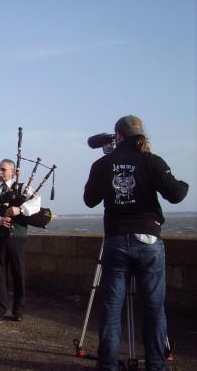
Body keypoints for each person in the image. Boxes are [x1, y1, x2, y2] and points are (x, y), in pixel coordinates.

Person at [84, 115, 188, 371]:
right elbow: (176, 194)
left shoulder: (103, 164)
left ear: (118, 136)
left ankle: (107, 365)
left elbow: (89, 200)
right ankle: (156, 365)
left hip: (116, 239)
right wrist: (183, 184)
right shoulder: (151, 160)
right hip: (149, 239)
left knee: (111, 309)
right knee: (154, 308)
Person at [0, 159, 41, 322]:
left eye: (3, 169)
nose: (0, 173)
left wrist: (20, 209)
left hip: (18, 237)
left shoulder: (23, 188)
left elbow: (36, 202)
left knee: (18, 271)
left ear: (13, 171)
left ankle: (18, 309)